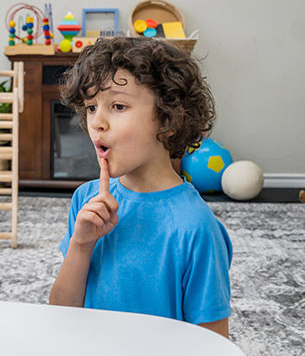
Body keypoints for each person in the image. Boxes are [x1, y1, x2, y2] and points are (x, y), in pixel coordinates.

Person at [48, 37, 232, 338]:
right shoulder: (86, 200)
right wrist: (81, 246)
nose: (98, 122)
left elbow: (214, 345)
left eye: (118, 106)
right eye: (92, 107)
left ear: (168, 120)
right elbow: (61, 312)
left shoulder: (196, 228)